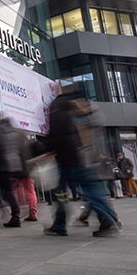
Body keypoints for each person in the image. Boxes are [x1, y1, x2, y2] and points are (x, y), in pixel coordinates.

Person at [45, 87, 119, 237]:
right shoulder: (87, 110)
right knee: (90, 190)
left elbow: (58, 133)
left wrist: (47, 149)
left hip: (70, 158)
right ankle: (106, 220)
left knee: (63, 192)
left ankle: (62, 224)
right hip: (85, 157)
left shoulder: (58, 106)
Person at [0, 117, 26, 228]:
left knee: (7, 191)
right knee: (10, 190)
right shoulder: (14, 132)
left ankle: (16, 215)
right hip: (15, 164)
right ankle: (17, 210)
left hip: (5, 165)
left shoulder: (1, 131)